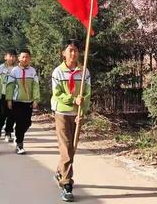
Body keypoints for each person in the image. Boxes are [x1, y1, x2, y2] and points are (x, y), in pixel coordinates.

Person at [51, 39, 91, 203]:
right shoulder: (58, 72)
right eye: (70, 50)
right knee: (66, 147)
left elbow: (88, 92)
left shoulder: (84, 72)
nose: (73, 53)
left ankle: (60, 171)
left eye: (75, 50)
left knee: (72, 148)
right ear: (63, 53)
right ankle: (67, 185)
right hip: (61, 112)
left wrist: (82, 107)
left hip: (77, 114)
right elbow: (57, 93)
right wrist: (72, 99)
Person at [6, 48, 40, 155]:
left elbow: (35, 86)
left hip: (28, 101)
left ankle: (18, 133)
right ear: (19, 58)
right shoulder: (14, 71)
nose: (25, 59)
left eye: (27, 57)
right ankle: (19, 144)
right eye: (23, 57)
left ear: (30, 59)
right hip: (17, 101)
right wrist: (9, 99)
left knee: (27, 123)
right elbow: (10, 86)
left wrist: (36, 99)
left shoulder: (32, 71)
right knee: (20, 122)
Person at [0, 49, 17, 141]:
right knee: (3, 113)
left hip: (14, 95)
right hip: (3, 94)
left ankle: (8, 132)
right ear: (5, 57)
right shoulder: (1, 68)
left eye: (13, 56)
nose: (12, 58)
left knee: (12, 115)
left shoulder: (17, 68)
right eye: (10, 56)